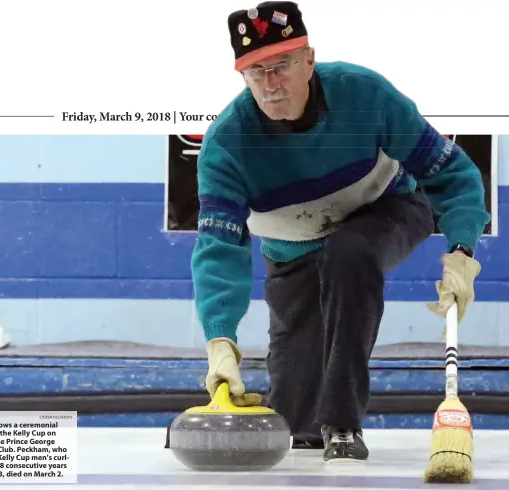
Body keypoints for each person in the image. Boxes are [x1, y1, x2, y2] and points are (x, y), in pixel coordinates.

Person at [191, 0, 489, 462]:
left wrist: (462, 248)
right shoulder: (226, 146)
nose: (270, 84)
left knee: (349, 253)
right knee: (292, 419)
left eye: (283, 65)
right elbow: (219, 250)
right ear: (243, 77)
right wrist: (220, 342)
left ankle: (344, 428)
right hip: (293, 250)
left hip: (388, 210)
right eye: (256, 71)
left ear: (309, 59)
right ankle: (312, 425)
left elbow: (453, 176)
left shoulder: (364, 95)